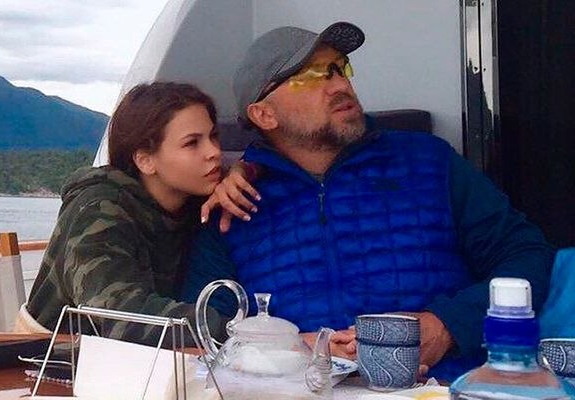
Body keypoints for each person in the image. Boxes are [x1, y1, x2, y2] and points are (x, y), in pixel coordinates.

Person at [182, 22, 555, 380]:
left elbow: (528, 256)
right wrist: (294, 349)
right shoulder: (233, 207)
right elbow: (200, 337)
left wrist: (447, 326)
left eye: (339, 68)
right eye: (313, 76)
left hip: (443, 387)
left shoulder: (429, 162)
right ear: (264, 114)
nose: (340, 85)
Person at [21, 82, 252, 346]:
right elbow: (119, 317)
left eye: (213, 136)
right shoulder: (99, 210)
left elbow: (258, 168)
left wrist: (245, 171)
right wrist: (242, 334)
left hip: (152, 362)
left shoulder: (197, 202)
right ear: (145, 160)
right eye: (192, 143)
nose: (214, 152)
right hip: (54, 359)